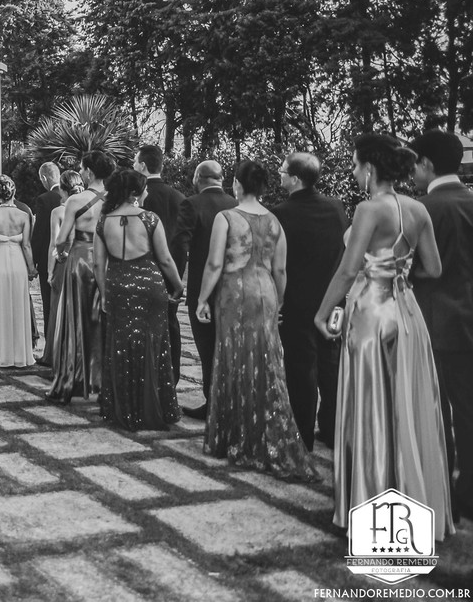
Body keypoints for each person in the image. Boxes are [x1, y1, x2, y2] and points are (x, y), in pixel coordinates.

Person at [313, 134, 453, 541]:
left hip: (371, 316)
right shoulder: (417, 209)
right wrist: (398, 278)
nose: (355, 173)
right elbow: (435, 268)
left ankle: (370, 504)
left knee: (370, 407)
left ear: (369, 169)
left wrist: (323, 314)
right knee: (404, 408)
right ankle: (409, 501)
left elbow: (346, 268)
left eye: (356, 165)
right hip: (407, 315)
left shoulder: (369, 209)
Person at [194, 161, 316, 480]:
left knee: (234, 358)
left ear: (236, 184)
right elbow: (281, 270)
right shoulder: (275, 221)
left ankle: (234, 436)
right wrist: (279, 301)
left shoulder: (227, 218)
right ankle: (263, 433)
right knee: (265, 360)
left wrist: (202, 298)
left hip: (234, 292)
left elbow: (214, 262)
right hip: (266, 291)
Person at [410, 130, 473, 523]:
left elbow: (415, 267)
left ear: (428, 164)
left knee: (436, 409)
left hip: (437, 320)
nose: (412, 170)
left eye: (415, 163)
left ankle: (443, 487)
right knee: (468, 410)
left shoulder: (422, 209)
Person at [95, 169, 182, 431]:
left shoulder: (104, 220)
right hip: (149, 286)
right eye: (143, 188)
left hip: (117, 286)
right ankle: (154, 407)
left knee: (120, 344)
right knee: (153, 344)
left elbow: (98, 264)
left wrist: (103, 294)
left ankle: (124, 407)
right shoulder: (149, 218)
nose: (146, 192)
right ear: (135, 192)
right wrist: (177, 286)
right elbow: (165, 259)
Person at [272, 152, 348, 451]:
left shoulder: (280, 213)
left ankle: (301, 434)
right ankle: (331, 427)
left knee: (300, 367)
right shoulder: (336, 207)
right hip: (336, 300)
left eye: (283, 170)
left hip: (298, 303)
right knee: (332, 363)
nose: (279, 173)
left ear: (295, 178)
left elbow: (277, 262)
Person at [42, 150, 115, 382]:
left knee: (77, 315)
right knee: (101, 315)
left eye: (83, 168)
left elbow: (62, 238)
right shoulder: (114, 198)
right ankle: (101, 373)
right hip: (106, 260)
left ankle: (76, 371)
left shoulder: (75, 200)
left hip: (81, 259)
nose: (81, 172)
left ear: (90, 172)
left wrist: (60, 254)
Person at [174, 161, 238, 419]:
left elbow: (180, 243)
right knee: (228, 344)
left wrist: (176, 281)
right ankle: (229, 398)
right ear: (222, 179)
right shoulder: (236, 204)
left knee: (207, 345)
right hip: (234, 284)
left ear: (197, 178)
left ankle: (213, 402)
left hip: (203, 284)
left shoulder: (192, 204)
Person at [136, 145, 186, 385]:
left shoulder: (140, 198)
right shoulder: (179, 197)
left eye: (136, 163)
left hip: (147, 269)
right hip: (174, 268)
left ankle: (150, 374)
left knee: (146, 324)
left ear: (143, 166)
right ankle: (172, 375)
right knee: (171, 323)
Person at [0, 175, 38, 368]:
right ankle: (18, 353)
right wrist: (31, 268)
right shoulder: (23, 215)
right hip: (18, 263)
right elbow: (27, 245)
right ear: (14, 192)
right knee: (17, 304)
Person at [43, 169, 88, 401]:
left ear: (62, 188)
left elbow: (55, 242)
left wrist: (51, 270)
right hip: (86, 262)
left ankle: (59, 359)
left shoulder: (59, 211)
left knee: (60, 313)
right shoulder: (91, 204)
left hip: (64, 263)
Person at [32, 162, 64, 344]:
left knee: (49, 304)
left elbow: (40, 233)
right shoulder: (78, 195)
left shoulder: (44, 199)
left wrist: (33, 262)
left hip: (48, 259)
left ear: (44, 178)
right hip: (75, 257)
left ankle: (52, 346)